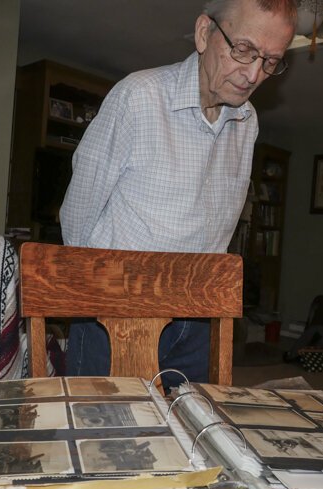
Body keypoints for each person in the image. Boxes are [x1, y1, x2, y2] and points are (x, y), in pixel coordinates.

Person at [59, 0, 297, 387]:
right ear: (204, 33)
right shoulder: (137, 97)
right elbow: (77, 218)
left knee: (191, 436)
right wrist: (105, 300)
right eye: (244, 50)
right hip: (116, 311)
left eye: (271, 61)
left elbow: (221, 224)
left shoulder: (247, 121)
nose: (254, 74)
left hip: (197, 316)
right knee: (106, 436)